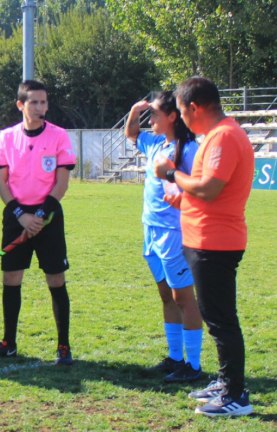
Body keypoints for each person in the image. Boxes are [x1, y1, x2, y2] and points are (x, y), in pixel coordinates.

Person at [155, 77, 255, 417]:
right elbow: (209, 193)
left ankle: (235, 395)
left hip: (215, 242)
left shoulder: (224, 136)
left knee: (221, 319)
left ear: (194, 108)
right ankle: (227, 382)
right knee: (217, 317)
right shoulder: (219, 135)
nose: (182, 119)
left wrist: (171, 174)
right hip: (208, 238)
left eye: (182, 112)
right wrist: (183, 199)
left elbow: (209, 189)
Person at [0, 80, 76, 365]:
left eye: (43, 102)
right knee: (11, 279)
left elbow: (61, 183)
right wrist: (21, 216)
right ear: (20, 105)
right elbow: (1, 183)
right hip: (16, 216)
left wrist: (40, 216)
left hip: (48, 217)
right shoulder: (7, 137)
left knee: (56, 279)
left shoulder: (59, 136)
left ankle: (63, 346)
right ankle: (8, 343)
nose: (40, 107)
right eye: (34, 102)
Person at [125, 92, 203, 383]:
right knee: (166, 296)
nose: (151, 120)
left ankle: (193, 365)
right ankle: (175, 358)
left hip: (174, 234)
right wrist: (135, 111)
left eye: (155, 115)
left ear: (172, 116)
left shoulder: (190, 149)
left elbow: (200, 188)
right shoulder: (157, 143)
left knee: (184, 299)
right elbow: (132, 134)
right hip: (151, 230)